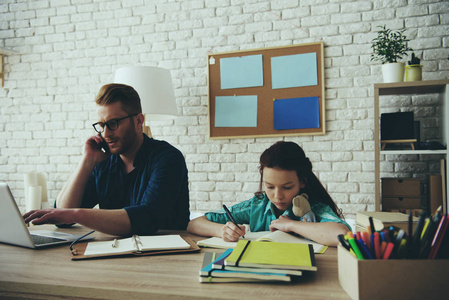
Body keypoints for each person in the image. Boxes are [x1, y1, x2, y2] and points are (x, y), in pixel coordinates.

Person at [23, 83, 190, 236]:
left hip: (166, 256)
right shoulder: (104, 162)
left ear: (139, 120)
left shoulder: (168, 158)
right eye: (101, 125)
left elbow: (147, 219)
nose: (106, 133)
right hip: (114, 254)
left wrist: (76, 214)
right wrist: (87, 161)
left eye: (113, 123)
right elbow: (62, 217)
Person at [187, 141, 350, 246]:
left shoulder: (314, 207)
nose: (277, 196)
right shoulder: (257, 206)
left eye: (287, 187)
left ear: (302, 181)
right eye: (270, 187)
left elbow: (342, 233)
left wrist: (291, 224)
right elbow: (194, 223)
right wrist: (222, 231)